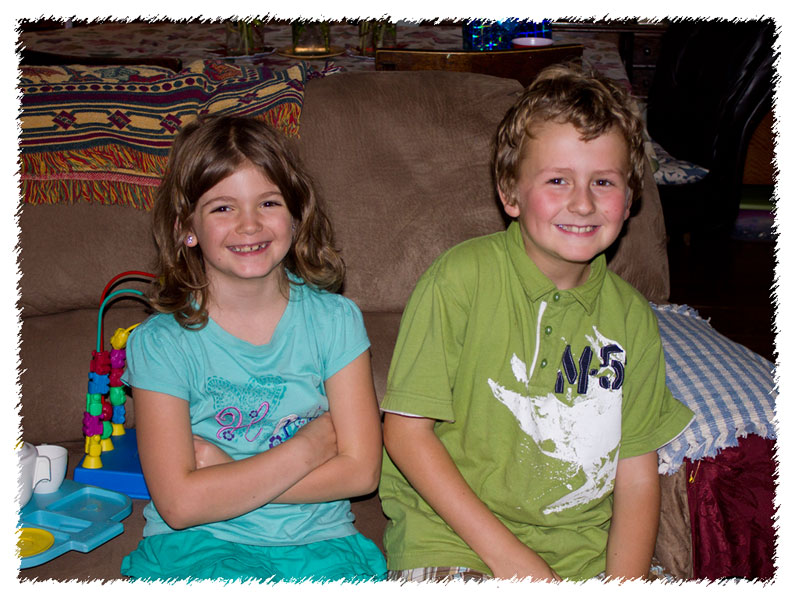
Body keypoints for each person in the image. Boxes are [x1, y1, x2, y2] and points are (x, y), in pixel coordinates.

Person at [378, 64, 694, 583]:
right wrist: (518, 566)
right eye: (557, 180)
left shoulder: (632, 318)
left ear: (630, 199)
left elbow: (637, 474)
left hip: (583, 557)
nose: (583, 202)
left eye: (603, 182)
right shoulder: (460, 279)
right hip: (454, 543)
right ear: (511, 193)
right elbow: (406, 434)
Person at [120, 115, 386, 583]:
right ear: (187, 227)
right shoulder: (159, 344)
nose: (249, 224)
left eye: (268, 202)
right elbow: (180, 505)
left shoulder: (335, 321)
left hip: (319, 542)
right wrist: (309, 447)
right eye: (223, 208)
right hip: (199, 543)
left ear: (296, 215)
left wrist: (226, 474)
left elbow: (362, 473)